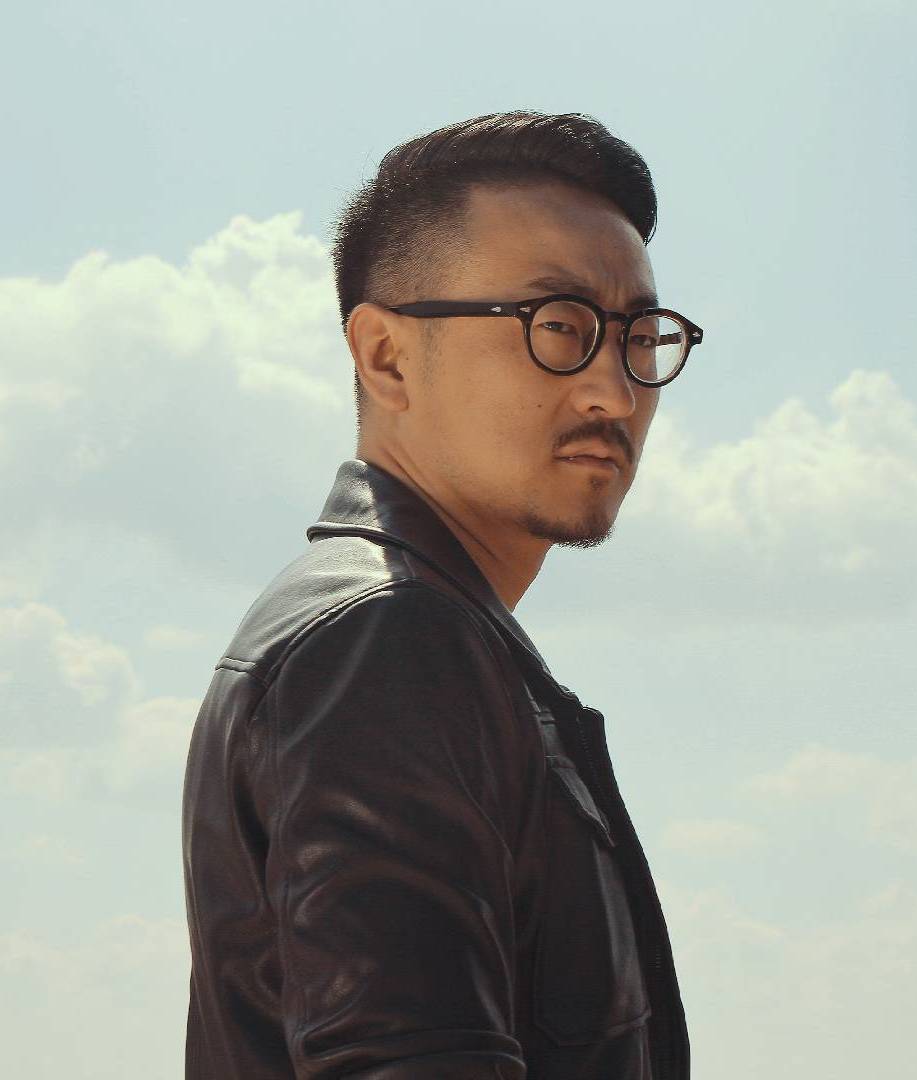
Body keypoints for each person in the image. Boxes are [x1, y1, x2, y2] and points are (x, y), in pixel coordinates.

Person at [181, 109, 703, 1079]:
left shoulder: (407, 631)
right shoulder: (385, 637)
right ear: (386, 356)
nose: (616, 392)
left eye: (640, 337)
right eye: (559, 327)